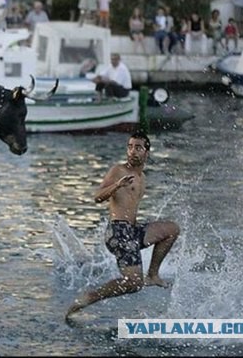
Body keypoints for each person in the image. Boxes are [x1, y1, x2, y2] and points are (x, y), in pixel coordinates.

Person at [65, 131, 180, 321]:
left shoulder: (142, 177)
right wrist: (116, 186)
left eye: (138, 147)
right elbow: (97, 197)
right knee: (134, 283)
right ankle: (88, 298)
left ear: (146, 153)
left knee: (171, 230)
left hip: (132, 231)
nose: (132, 151)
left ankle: (152, 274)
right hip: (118, 232)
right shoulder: (118, 171)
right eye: (130, 146)